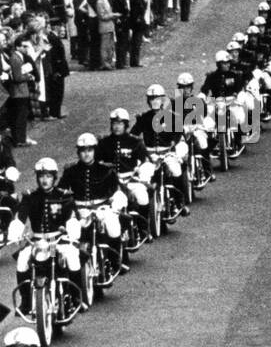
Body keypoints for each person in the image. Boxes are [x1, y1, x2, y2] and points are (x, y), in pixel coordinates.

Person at [8, 157, 85, 313]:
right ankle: (26, 302)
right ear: (37, 178)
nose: (44, 180)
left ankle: (77, 297)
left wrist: (72, 231)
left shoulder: (64, 196)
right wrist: (15, 233)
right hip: (37, 241)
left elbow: (72, 216)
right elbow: (20, 218)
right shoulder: (30, 197)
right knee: (22, 260)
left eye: (48, 176)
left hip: (57, 240)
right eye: (41, 176)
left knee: (72, 257)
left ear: (54, 178)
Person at [59, 132, 128, 272]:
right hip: (80, 211)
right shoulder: (71, 171)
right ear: (78, 152)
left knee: (113, 227)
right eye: (83, 151)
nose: (86, 154)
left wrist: (115, 204)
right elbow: (60, 191)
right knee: (68, 234)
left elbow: (116, 190)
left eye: (90, 150)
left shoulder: (106, 169)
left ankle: (117, 260)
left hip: (101, 209)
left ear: (95, 151)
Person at [133, 84, 190, 216]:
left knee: (176, 170)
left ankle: (180, 202)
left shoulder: (172, 116)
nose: (155, 101)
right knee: (143, 176)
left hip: (167, 152)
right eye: (152, 99)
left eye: (157, 98)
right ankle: (143, 210)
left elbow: (178, 132)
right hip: (150, 155)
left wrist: (173, 143)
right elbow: (134, 134)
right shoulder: (143, 118)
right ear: (148, 101)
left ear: (163, 100)